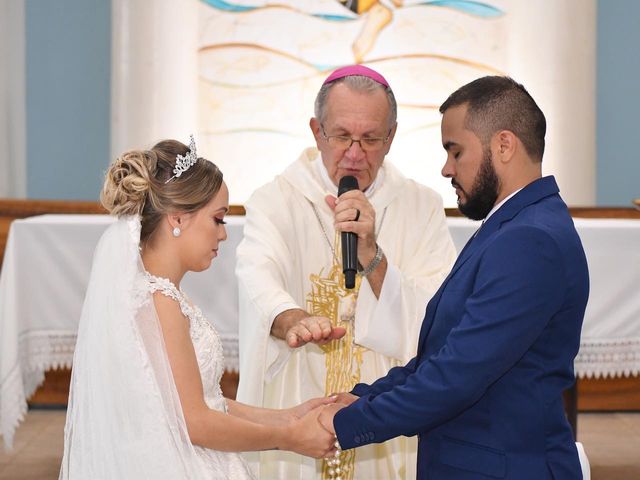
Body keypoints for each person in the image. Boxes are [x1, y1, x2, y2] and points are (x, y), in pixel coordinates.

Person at [315, 76, 591, 479]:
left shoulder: (530, 239)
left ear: (503, 145)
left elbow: (456, 377)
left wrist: (342, 426)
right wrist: (358, 400)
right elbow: (440, 358)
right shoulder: (512, 225)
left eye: (455, 151)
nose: (446, 168)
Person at [59, 137, 338, 480]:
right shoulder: (159, 303)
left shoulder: (160, 296)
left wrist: (286, 416)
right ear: (178, 218)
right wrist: (288, 438)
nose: (223, 234)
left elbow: (204, 400)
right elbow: (195, 423)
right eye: (218, 219)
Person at [235, 65, 457, 479]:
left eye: (370, 139)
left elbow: (437, 307)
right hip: (300, 392)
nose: (355, 153)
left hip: (385, 402)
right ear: (317, 131)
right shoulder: (277, 199)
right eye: (341, 136)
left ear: (390, 137)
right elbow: (256, 273)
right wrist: (291, 318)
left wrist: (372, 254)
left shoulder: (420, 206)